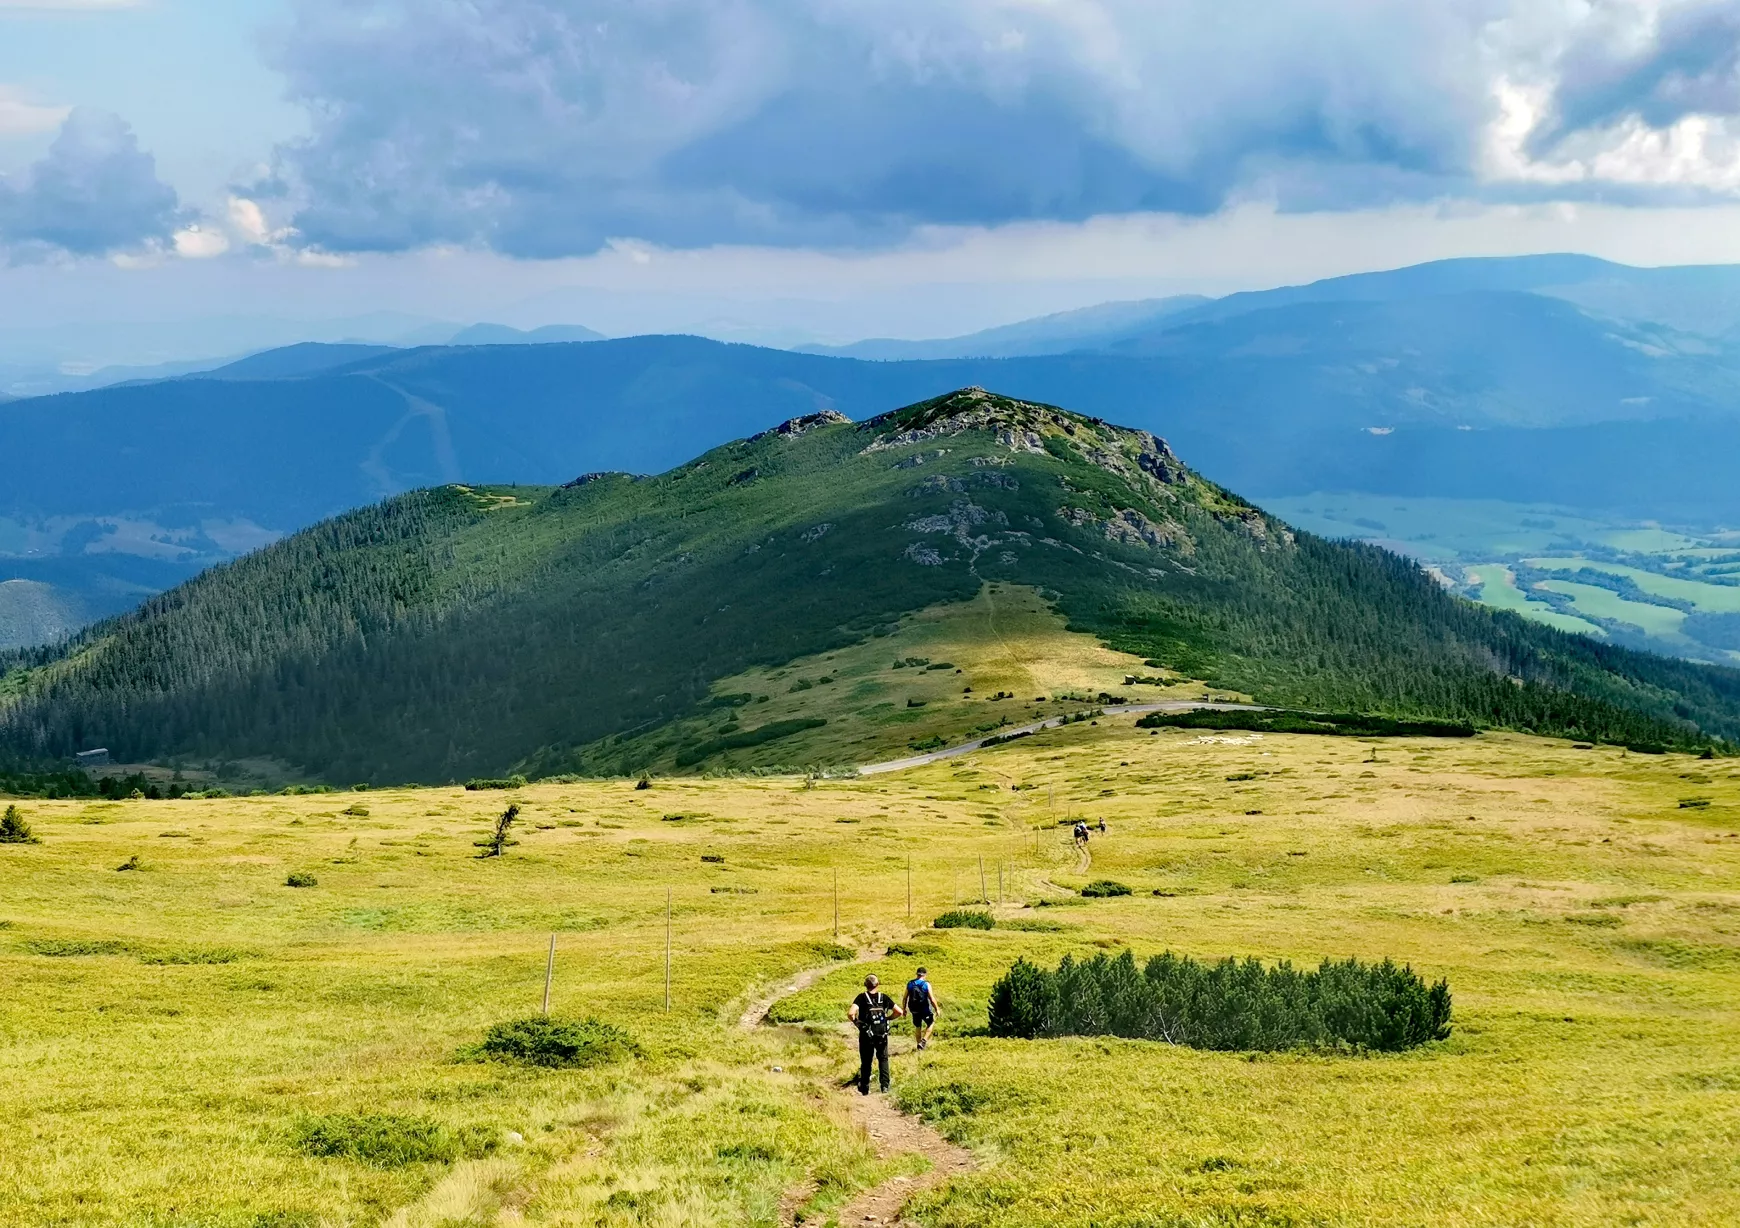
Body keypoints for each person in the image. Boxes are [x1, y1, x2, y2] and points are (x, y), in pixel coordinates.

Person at [848, 973, 903, 1094]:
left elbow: (851, 1013)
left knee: (866, 1060)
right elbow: (899, 1012)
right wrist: (888, 1019)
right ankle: (885, 1086)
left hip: (866, 1034)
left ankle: (865, 1087)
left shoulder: (861, 997)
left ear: (865, 985)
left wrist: (858, 1024)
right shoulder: (883, 997)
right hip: (881, 1034)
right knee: (883, 1059)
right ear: (877, 984)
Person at [904, 966, 940, 1051]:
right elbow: (932, 999)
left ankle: (918, 1046)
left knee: (918, 1026)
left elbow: (905, 998)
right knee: (931, 1023)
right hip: (924, 1009)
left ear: (917, 974)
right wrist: (937, 1009)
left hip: (914, 1009)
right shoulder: (926, 984)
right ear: (925, 975)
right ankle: (923, 1041)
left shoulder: (910, 983)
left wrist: (904, 1009)